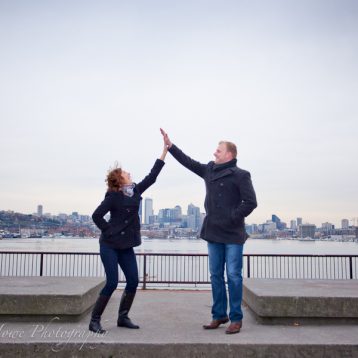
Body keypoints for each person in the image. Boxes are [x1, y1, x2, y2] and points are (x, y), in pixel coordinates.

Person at [160, 128, 257, 334]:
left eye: (219, 151)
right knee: (215, 275)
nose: (215, 153)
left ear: (229, 154)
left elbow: (251, 202)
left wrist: (232, 216)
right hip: (213, 232)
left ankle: (236, 319)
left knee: (233, 276)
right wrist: (170, 146)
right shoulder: (209, 170)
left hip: (232, 233)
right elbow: (189, 162)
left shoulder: (241, 175)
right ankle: (218, 315)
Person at [89, 144, 168, 334]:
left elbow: (152, 176)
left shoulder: (136, 191)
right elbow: (96, 216)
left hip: (125, 246)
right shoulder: (113, 197)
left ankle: (123, 317)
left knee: (133, 280)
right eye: (125, 172)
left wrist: (164, 152)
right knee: (112, 282)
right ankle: (94, 321)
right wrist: (109, 232)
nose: (129, 172)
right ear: (119, 179)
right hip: (109, 245)